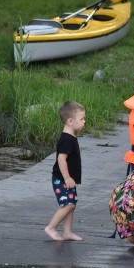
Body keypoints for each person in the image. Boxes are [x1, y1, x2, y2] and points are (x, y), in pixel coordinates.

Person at [44, 101, 86, 242]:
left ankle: (67, 232)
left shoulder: (71, 137)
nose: (84, 122)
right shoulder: (66, 140)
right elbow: (61, 159)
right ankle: (51, 227)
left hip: (68, 179)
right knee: (68, 204)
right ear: (70, 121)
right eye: (81, 119)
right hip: (61, 178)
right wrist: (67, 177)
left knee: (71, 204)